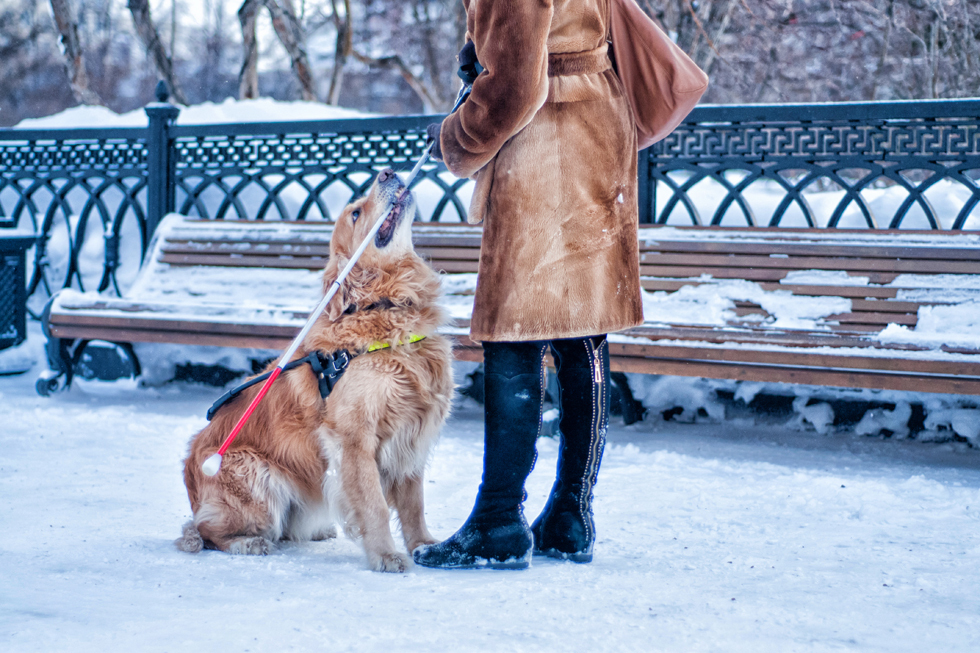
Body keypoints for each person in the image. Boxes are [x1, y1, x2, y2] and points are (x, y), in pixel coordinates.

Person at [414, 0, 642, 570]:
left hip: (545, 143)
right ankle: (571, 514)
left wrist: (455, 138)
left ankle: (498, 519)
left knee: (513, 328)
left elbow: (514, 88)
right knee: (582, 328)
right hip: (597, 121)